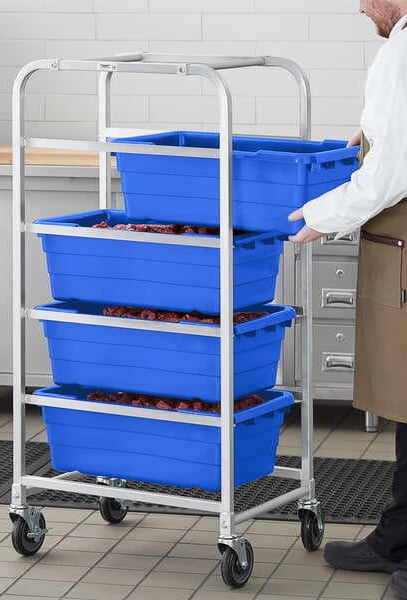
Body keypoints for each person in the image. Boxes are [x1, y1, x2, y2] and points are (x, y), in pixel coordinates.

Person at [287, 1, 407, 597]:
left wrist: (320, 214)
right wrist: (378, 134)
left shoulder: (404, 52)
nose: (361, 5)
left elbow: (390, 174)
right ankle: (399, 537)